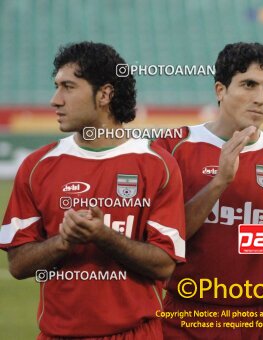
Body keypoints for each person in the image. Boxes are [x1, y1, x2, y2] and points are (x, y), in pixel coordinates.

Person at [0, 42, 186, 339]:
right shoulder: (36, 166)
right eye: (56, 86)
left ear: (104, 94)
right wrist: (64, 241)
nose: (54, 100)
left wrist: (103, 235)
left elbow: (164, 264)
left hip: (136, 334)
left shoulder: (158, 165)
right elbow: (18, 265)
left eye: (68, 87)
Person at [154, 42, 263, 339]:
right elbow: (164, 242)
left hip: (259, 320)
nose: (260, 98)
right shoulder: (174, 146)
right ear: (220, 90)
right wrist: (220, 181)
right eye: (248, 84)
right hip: (187, 317)